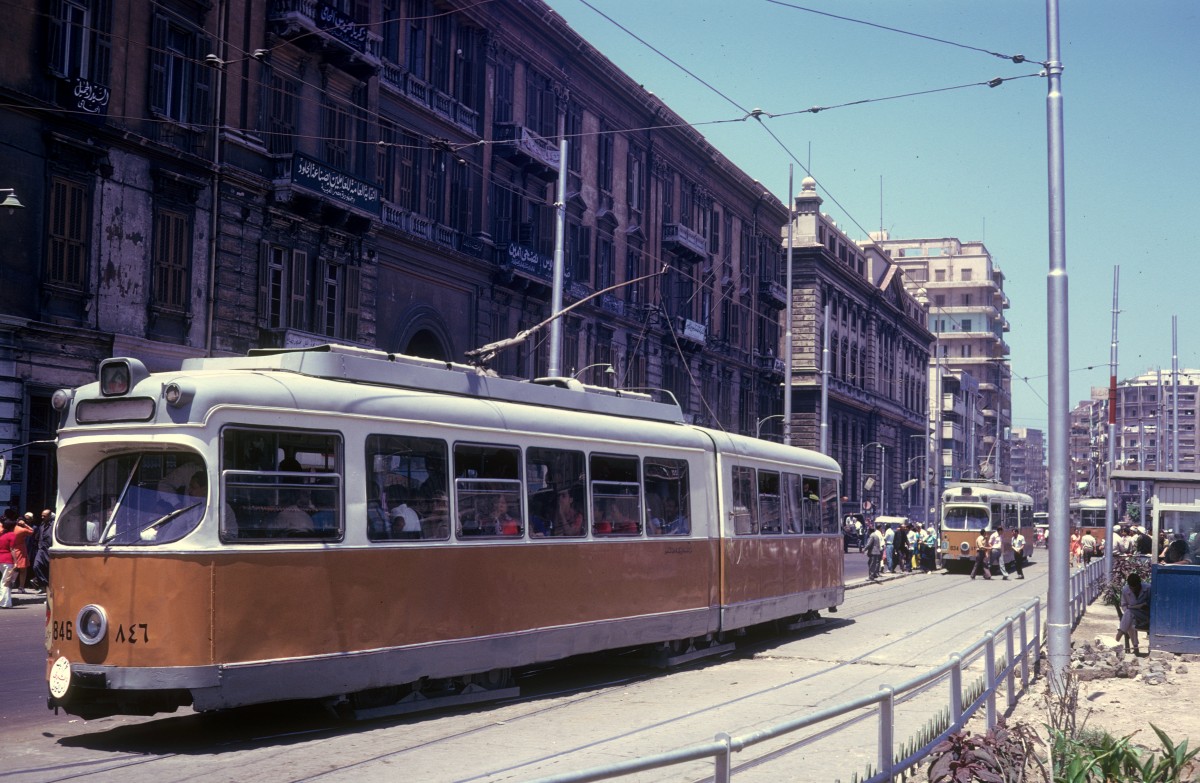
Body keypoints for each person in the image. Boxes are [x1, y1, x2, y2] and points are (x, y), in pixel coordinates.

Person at [1115, 572, 1150, 655]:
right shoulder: (1125, 590)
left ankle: (1117, 639)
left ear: (1139, 584)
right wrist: (1132, 608)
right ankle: (1135, 647)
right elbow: (1123, 605)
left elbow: (1150, 604)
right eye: (1131, 588)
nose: (1133, 590)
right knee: (1130, 618)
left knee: (1129, 615)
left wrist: (1142, 606)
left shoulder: (1148, 588)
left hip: (1145, 616)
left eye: (1135, 588)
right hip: (1132, 615)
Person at [9, 512, 35, 593]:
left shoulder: (13, 528)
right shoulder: (22, 529)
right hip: (20, 550)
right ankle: (21, 587)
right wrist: (25, 525)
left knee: (12, 568)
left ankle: (10, 584)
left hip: (12, 549)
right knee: (23, 569)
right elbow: (32, 531)